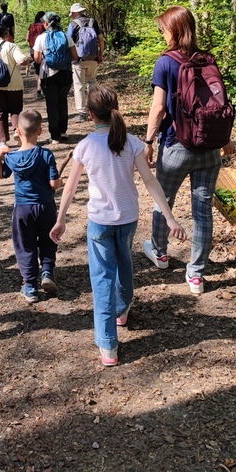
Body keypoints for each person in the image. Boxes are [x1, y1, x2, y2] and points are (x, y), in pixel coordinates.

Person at [51, 84, 186, 367]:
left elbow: (70, 188)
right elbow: (150, 181)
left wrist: (61, 218)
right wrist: (170, 217)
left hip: (99, 222)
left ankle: (109, 346)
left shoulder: (86, 146)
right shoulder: (134, 143)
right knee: (124, 263)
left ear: (90, 114)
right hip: (127, 219)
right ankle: (122, 310)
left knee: (101, 280)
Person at [142, 5, 236, 295]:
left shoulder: (166, 63)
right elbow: (218, 102)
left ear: (174, 30)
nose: (162, 34)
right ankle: (195, 275)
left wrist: (148, 141)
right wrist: (225, 139)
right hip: (209, 149)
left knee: (164, 201)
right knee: (203, 212)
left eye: (164, 29)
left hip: (177, 146)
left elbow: (158, 108)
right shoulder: (207, 58)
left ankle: (160, 253)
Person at [0, 109, 61, 304]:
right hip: (45, 206)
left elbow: (1, 175)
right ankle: (47, 271)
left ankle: (30, 285)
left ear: (18, 131)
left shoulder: (12, 157)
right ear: (40, 131)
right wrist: (60, 181)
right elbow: (54, 184)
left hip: (23, 209)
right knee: (49, 239)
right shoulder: (46, 155)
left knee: (25, 245)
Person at [33, 12, 78, 143]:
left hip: (48, 75)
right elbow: (75, 56)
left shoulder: (41, 38)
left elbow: (36, 58)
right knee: (62, 101)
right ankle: (63, 132)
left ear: (46, 23)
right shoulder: (65, 36)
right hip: (65, 74)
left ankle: (54, 136)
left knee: (51, 104)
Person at [67, 3, 105, 123]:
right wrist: (100, 54)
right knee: (92, 83)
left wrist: (70, 58)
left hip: (78, 60)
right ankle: (93, 109)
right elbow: (101, 39)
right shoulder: (93, 22)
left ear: (74, 13)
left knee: (79, 86)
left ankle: (82, 113)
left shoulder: (73, 24)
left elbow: (68, 42)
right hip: (93, 58)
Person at [27, 11, 46, 98]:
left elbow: (27, 38)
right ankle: (39, 90)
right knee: (42, 71)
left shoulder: (31, 25)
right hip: (41, 51)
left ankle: (39, 89)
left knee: (38, 71)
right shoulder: (44, 26)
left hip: (33, 50)